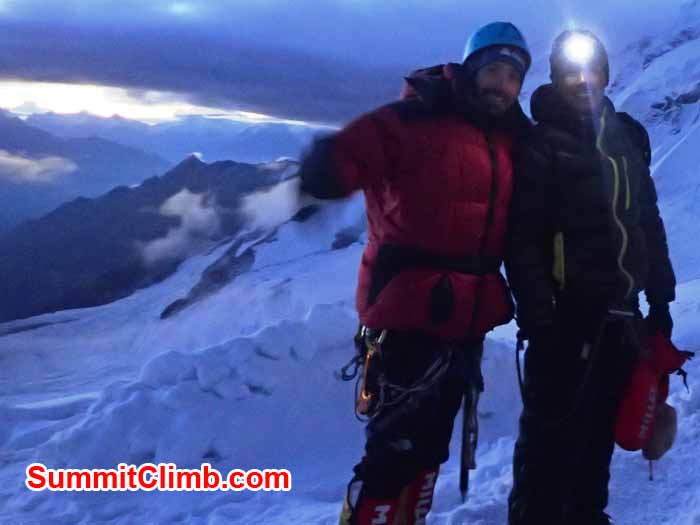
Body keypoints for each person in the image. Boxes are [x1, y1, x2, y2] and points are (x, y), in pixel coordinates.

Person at [297, 21, 532, 525]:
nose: (503, 85)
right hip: (406, 315)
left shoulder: (512, 139)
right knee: (393, 451)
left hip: (467, 320)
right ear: (470, 68)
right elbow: (354, 153)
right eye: (494, 70)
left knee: (431, 446)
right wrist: (327, 168)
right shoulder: (414, 119)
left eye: (514, 77)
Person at [505, 29, 676, 525]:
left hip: (622, 315)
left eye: (592, 70)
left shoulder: (627, 136)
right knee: (549, 436)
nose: (583, 81)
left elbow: (647, 221)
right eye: (571, 73)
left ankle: (587, 515)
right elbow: (522, 239)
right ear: (556, 79)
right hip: (565, 316)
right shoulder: (541, 144)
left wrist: (660, 301)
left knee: (600, 429)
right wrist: (540, 316)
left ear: (605, 75)